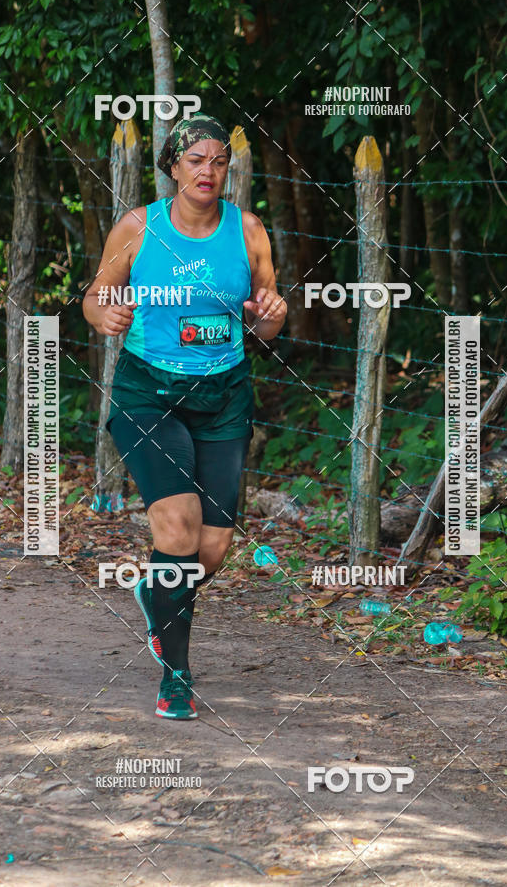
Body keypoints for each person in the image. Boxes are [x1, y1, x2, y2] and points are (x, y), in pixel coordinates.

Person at [83, 113, 287, 720]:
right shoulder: (137, 227)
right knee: (177, 531)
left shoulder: (248, 231)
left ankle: (157, 594)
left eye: (219, 161)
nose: (208, 170)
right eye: (196, 160)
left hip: (224, 394)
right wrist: (105, 316)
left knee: (213, 548)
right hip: (148, 392)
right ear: (173, 167)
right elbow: (96, 295)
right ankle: (176, 675)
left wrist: (270, 310)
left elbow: (267, 320)